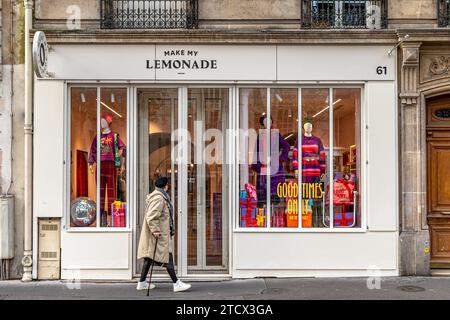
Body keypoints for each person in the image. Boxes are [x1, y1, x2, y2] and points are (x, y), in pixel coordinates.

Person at [137, 176, 191, 292]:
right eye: (167, 185)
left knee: (149, 257)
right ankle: (176, 283)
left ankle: (142, 282)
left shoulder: (158, 196)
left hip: (157, 233)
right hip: (158, 234)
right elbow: (151, 216)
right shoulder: (159, 199)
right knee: (167, 257)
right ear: (166, 186)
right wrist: (156, 230)